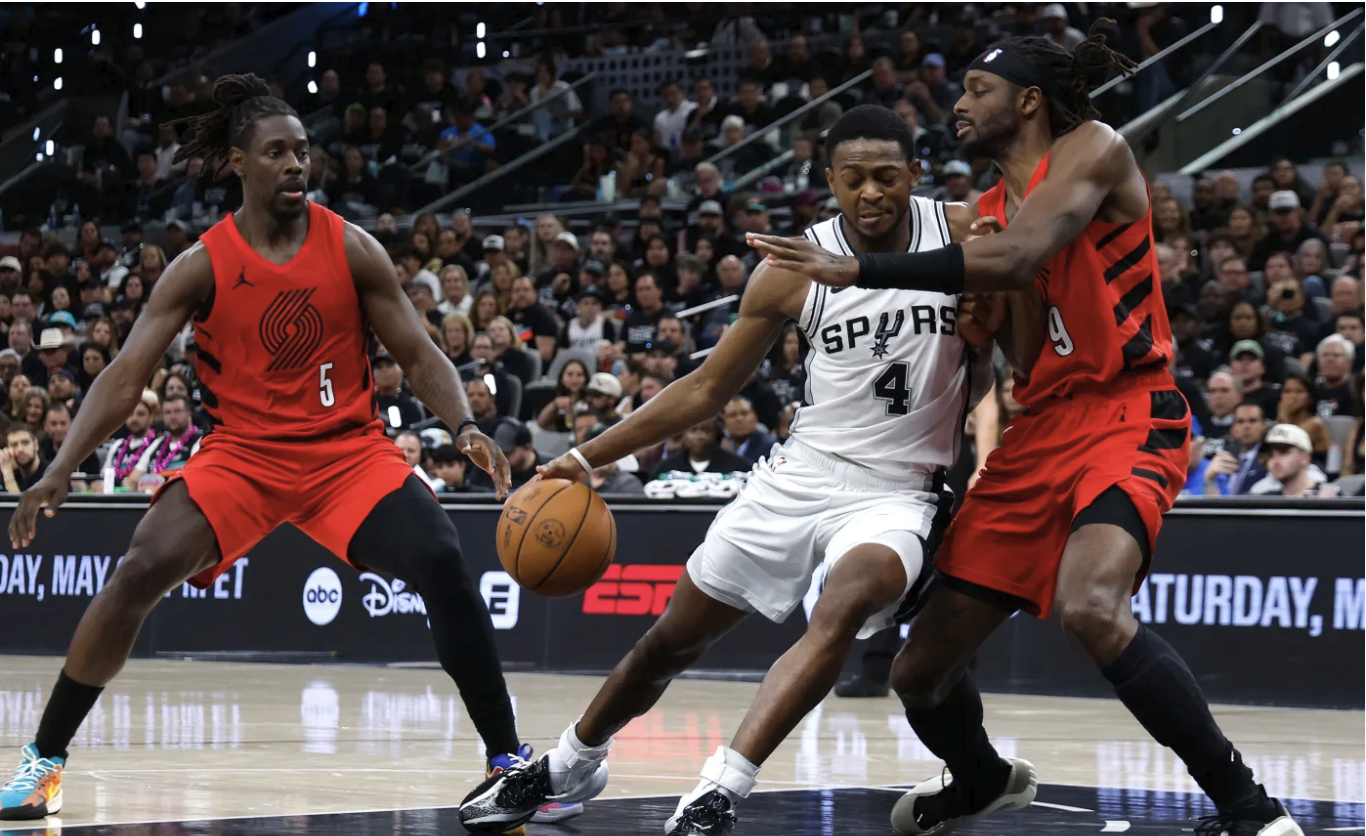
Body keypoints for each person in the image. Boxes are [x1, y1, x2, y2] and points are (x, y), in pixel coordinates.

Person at [746, 27, 1301, 836]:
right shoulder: (987, 216)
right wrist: (984, 318)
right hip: (1039, 427)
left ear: (1029, 100)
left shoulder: (1093, 148)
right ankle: (982, 778)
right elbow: (1027, 344)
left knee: (1091, 607)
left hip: (1127, 409)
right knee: (920, 670)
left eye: (978, 90)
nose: (959, 104)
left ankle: (1250, 806)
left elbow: (1022, 253)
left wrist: (860, 268)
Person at [0, 74, 550, 827]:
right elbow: (125, 376)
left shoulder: (351, 248)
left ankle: (505, 761)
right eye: (277, 151)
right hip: (242, 457)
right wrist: (59, 469)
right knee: (139, 569)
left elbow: (418, 352)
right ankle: (45, 761)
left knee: (442, 557)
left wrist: (464, 424)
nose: (295, 164)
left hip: (346, 454)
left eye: (302, 151)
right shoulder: (201, 265)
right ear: (237, 161)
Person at [460, 105, 998, 836]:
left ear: (915, 173)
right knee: (673, 640)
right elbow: (707, 388)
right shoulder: (792, 269)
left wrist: (985, 346)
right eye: (853, 179)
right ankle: (569, 763)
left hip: (898, 493)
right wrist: (583, 458)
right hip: (799, 474)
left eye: (886, 176)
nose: (871, 192)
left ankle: (720, 790)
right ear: (828, 182)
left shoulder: (964, 235)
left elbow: (997, 356)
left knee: (842, 606)